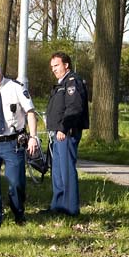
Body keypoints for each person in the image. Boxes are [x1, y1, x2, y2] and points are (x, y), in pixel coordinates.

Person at [0, 61, 39, 233]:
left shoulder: (15, 88)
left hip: (12, 143)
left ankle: (18, 213)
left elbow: (31, 113)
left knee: (16, 182)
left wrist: (33, 137)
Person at [45, 51, 89, 216]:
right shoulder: (62, 83)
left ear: (66, 65)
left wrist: (64, 128)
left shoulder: (72, 82)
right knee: (57, 171)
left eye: (56, 65)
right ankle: (58, 206)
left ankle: (70, 209)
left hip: (66, 133)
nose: (54, 69)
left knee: (66, 170)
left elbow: (74, 108)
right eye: (52, 67)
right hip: (58, 133)